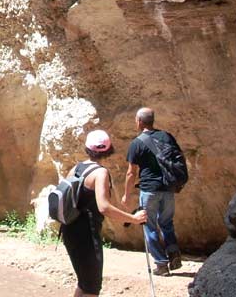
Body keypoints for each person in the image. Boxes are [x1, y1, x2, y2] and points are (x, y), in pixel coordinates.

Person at [62, 130, 147, 297]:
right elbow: (104, 207)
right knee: (92, 287)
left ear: (87, 148)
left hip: (69, 230)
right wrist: (133, 218)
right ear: (108, 150)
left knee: (85, 283)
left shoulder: (76, 168)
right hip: (86, 235)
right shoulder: (100, 173)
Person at [122, 107, 182, 276]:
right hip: (168, 187)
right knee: (167, 223)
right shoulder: (167, 137)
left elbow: (131, 172)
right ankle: (173, 253)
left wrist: (127, 194)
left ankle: (161, 265)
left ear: (139, 122)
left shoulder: (137, 143)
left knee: (149, 226)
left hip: (149, 190)